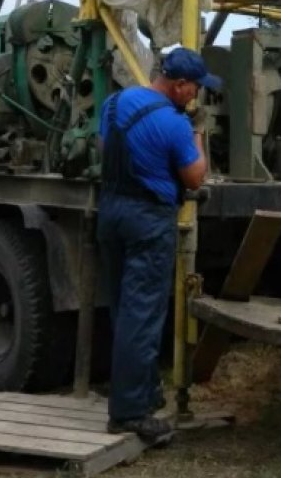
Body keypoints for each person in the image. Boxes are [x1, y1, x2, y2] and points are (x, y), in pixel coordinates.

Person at [97, 46, 220, 444]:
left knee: (124, 309)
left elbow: (108, 149)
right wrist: (198, 134)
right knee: (143, 314)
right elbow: (195, 178)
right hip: (148, 220)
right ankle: (130, 413)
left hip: (111, 211)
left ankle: (142, 393)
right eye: (196, 88)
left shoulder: (115, 103)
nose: (197, 96)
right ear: (180, 85)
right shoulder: (174, 125)